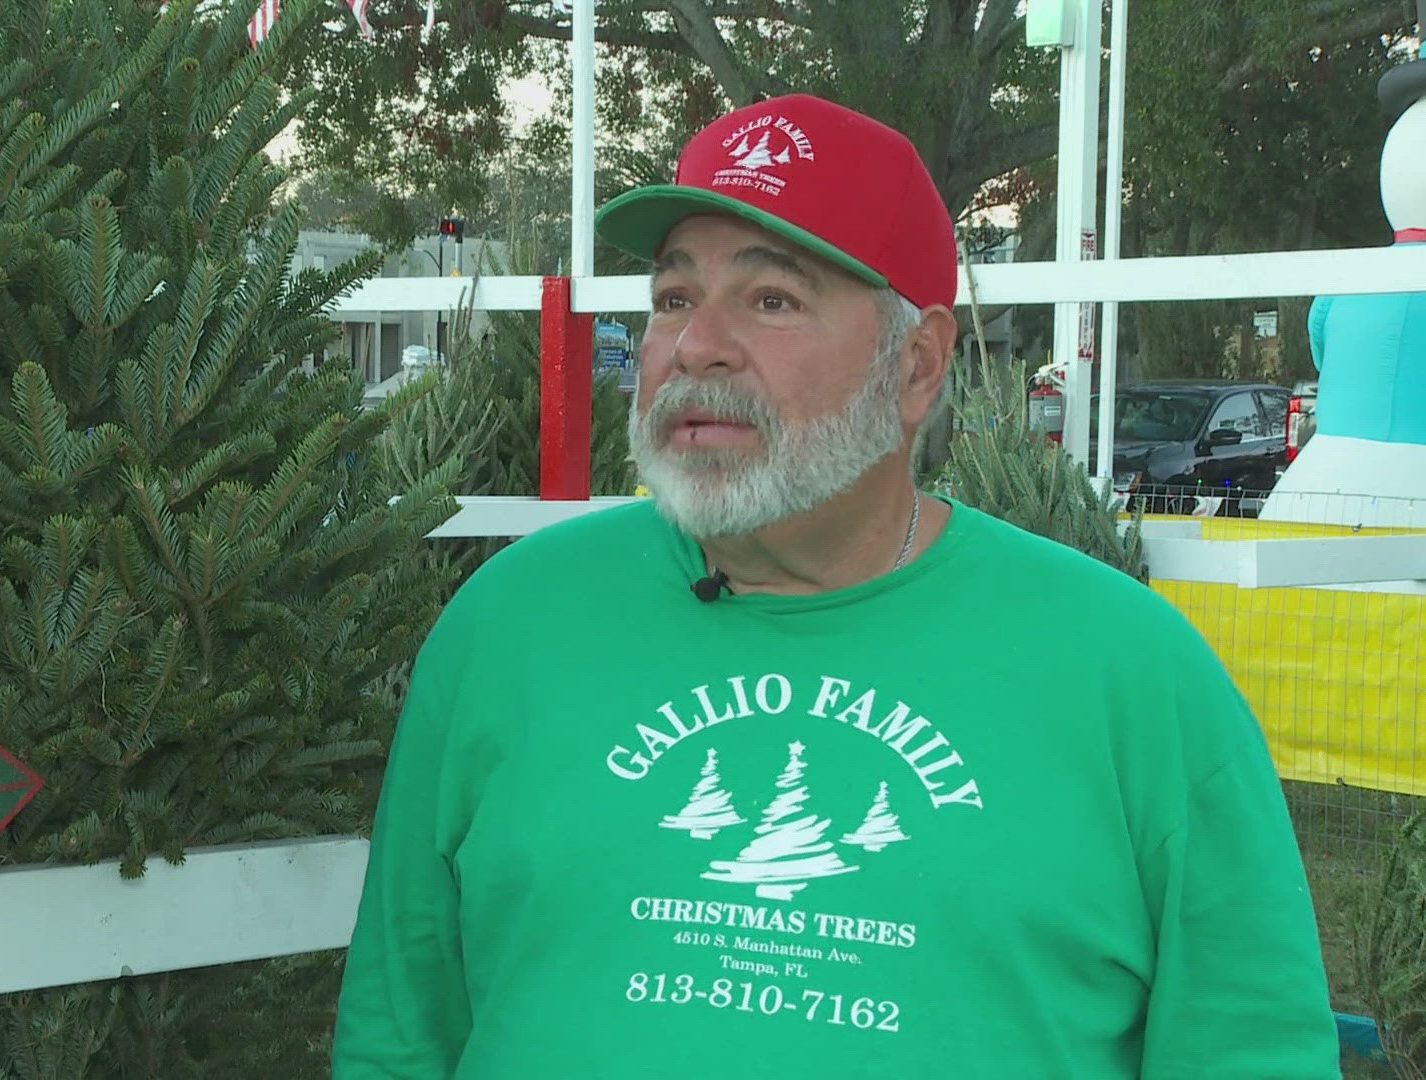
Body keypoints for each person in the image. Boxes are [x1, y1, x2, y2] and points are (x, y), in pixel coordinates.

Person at [332, 93, 1337, 1079]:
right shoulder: (509, 625)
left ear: (918, 365)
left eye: (772, 300)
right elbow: (400, 1030)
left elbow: (1252, 1046)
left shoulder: (1132, 676)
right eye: (674, 297)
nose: (695, 345)